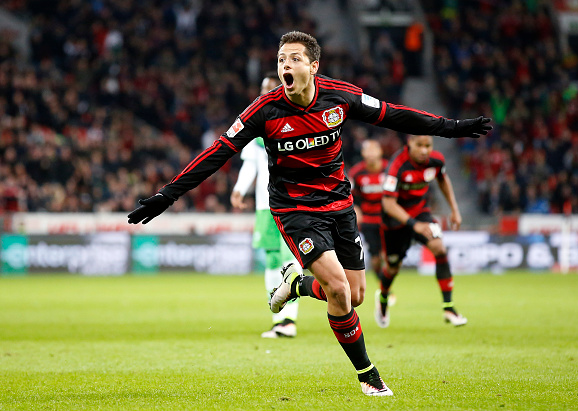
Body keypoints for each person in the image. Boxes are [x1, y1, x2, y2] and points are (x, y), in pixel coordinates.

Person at [128, 31, 491, 396]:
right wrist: (166, 196)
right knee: (338, 288)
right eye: (281, 59)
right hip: (294, 209)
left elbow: (394, 115)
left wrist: (453, 128)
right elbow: (218, 152)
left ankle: (297, 284)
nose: (285, 65)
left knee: (355, 294)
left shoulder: (340, 96)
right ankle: (368, 375)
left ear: (313, 66)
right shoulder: (264, 110)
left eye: (294, 59)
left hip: (339, 205)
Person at [230, 72, 300, 339]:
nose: (265, 91)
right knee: (272, 261)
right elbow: (251, 163)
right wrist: (239, 189)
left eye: (272, 87)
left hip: (290, 204)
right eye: (263, 87)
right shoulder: (256, 123)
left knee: (289, 259)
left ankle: (289, 320)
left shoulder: (295, 120)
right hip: (264, 206)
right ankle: (278, 319)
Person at [377, 134, 467, 329]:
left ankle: (449, 307)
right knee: (393, 268)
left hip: (421, 213)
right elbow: (388, 204)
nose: (424, 150)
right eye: (420, 145)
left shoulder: (435, 160)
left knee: (439, 248)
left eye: (428, 145)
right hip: (395, 221)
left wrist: (454, 210)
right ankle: (383, 296)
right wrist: (413, 224)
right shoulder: (397, 165)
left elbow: (443, 179)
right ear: (409, 143)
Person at [348, 139, 388, 277]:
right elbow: (350, 196)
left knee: (388, 256)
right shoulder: (357, 172)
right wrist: (356, 209)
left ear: (380, 151)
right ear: (363, 153)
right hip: (369, 221)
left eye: (373, 150)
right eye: (367, 150)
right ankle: (383, 283)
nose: (371, 154)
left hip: (388, 219)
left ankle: (386, 287)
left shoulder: (389, 169)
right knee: (376, 260)